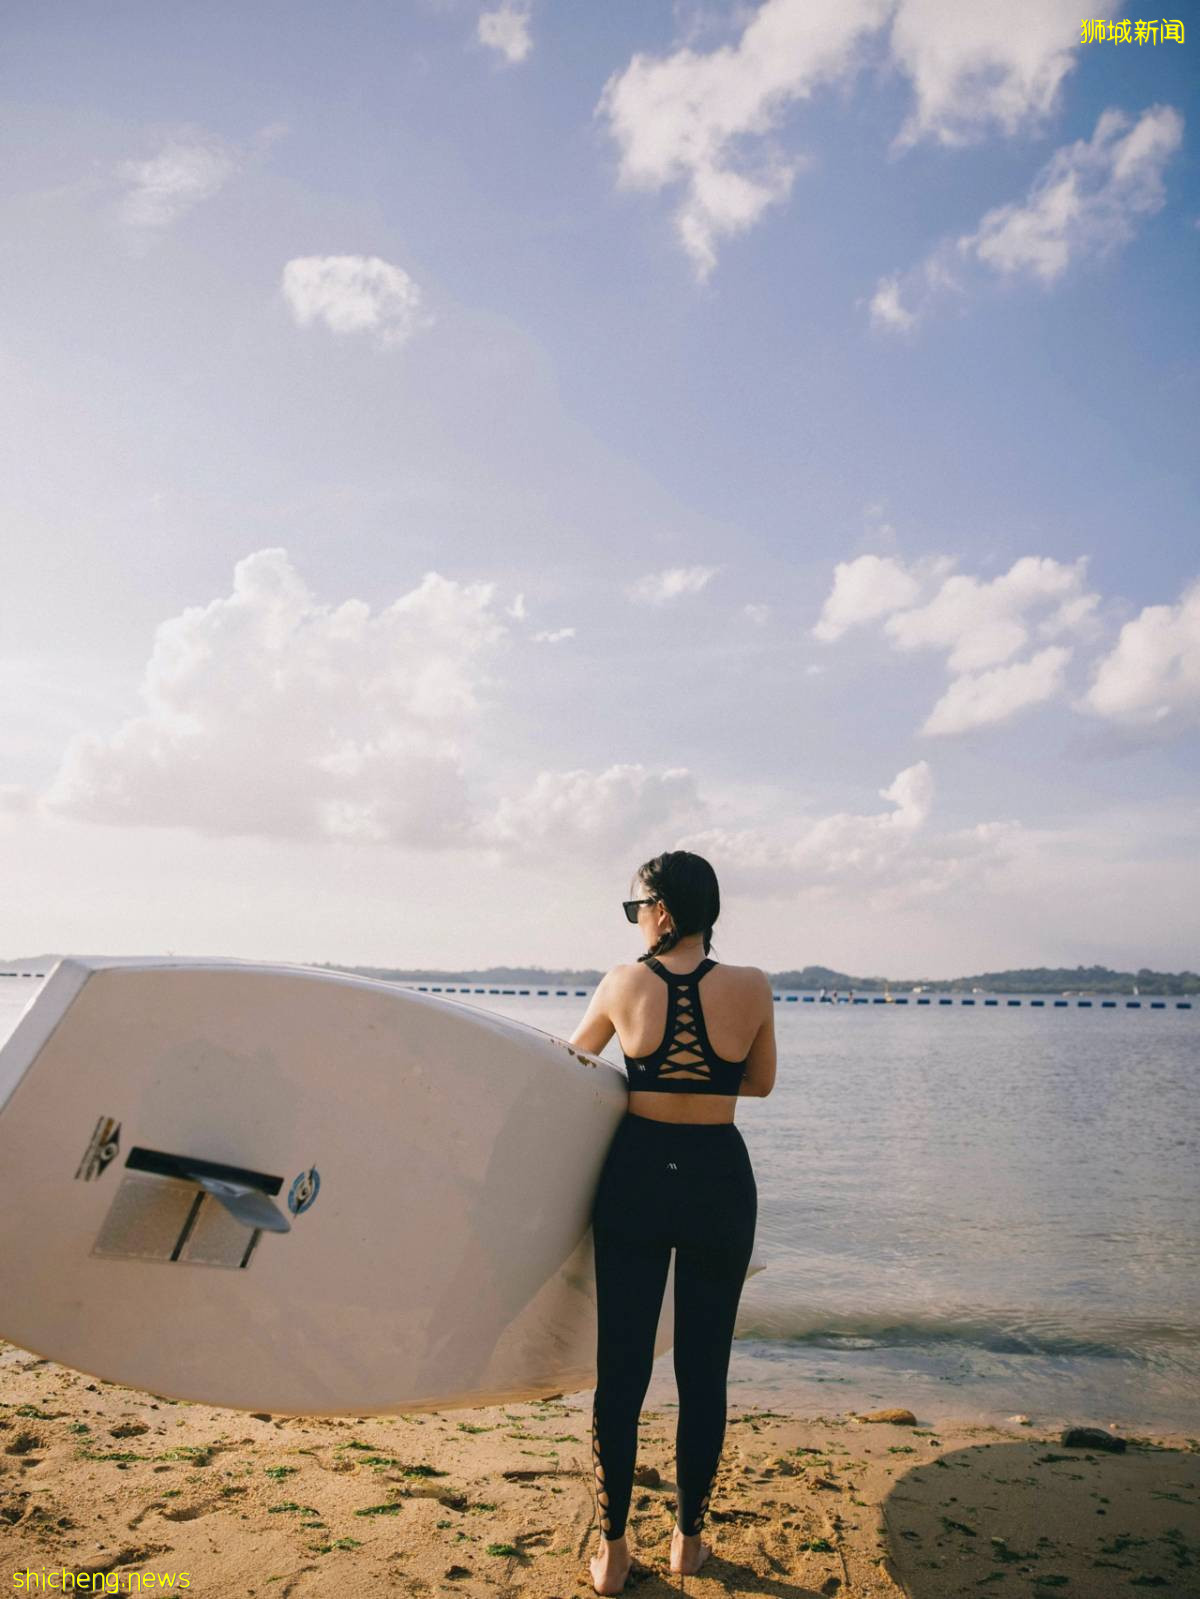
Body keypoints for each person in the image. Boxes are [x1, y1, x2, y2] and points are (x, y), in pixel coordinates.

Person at [569, 850, 777, 1595]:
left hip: (638, 1177)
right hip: (719, 1178)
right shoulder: (752, 986)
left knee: (621, 1370)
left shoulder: (622, 981)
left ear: (661, 909)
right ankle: (688, 1541)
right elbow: (761, 1082)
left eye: (636, 908)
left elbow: (574, 1064)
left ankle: (614, 1551)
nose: (636, 921)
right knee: (703, 1370)